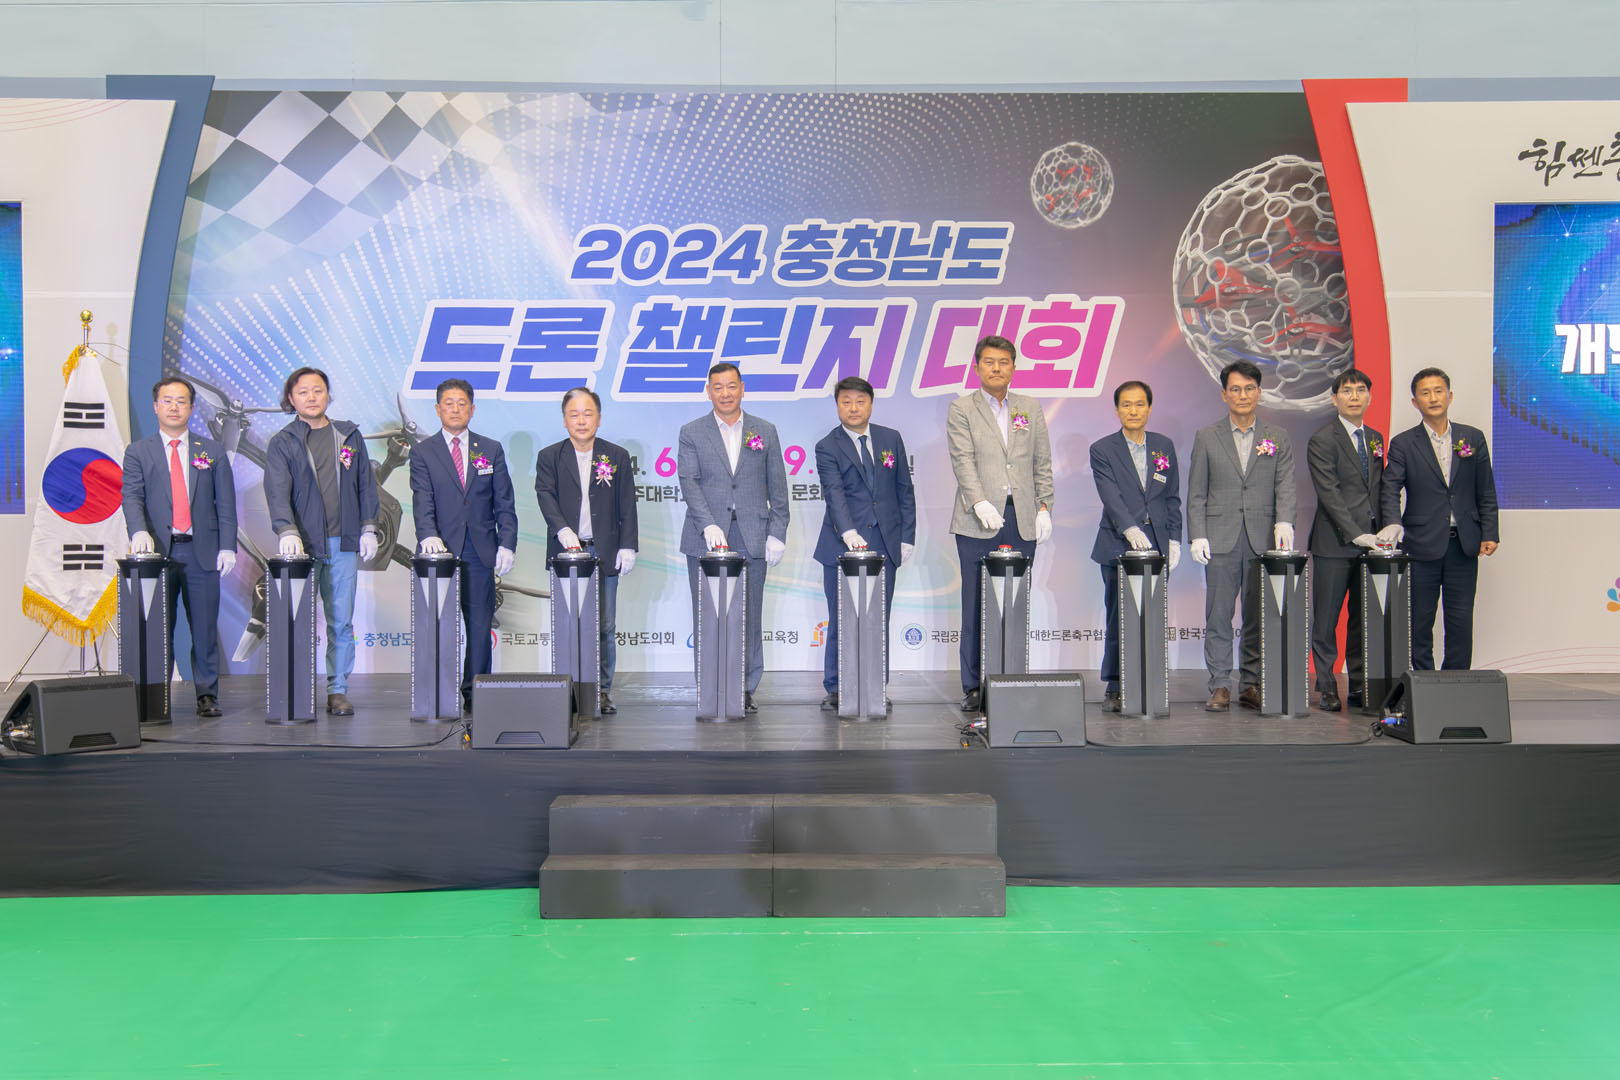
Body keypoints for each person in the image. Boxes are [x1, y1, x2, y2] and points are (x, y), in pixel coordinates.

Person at [263, 367, 380, 716]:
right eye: (303, 392)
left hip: (343, 543)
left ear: (328, 394)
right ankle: (296, 688)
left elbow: (366, 484)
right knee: (297, 621)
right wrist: (286, 530)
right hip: (302, 547)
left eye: (317, 390)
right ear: (291, 398)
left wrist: (369, 527)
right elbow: (276, 491)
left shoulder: (348, 435)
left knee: (341, 621)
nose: (311, 397)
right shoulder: (283, 441)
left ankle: (337, 689)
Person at [947, 335, 1054, 714]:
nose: (996, 368)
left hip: (1021, 518)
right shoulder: (962, 408)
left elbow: (1042, 462)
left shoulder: (1029, 407)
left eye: (1004, 362)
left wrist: (1044, 506)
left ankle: (1013, 678)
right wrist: (979, 502)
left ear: (1013, 367)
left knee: (1015, 604)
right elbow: (963, 460)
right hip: (977, 521)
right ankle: (974, 685)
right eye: (989, 362)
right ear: (977, 367)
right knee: (976, 605)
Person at [120, 376, 238, 718]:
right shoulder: (138, 451)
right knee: (158, 630)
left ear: (191, 407)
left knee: (204, 628)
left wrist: (227, 546)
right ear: (156, 406)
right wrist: (138, 531)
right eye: (167, 401)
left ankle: (207, 695)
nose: (174, 407)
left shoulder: (211, 450)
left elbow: (225, 502)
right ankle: (156, 695)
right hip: (158, 553)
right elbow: (132, 496)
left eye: (181, 401)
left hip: (202, 551)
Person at [676, 362, 789, 713]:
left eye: (731, 386)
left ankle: (745, 688)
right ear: (708, 391)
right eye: (718, 387)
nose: (725, 393)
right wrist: (708, 524)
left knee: (749, 616)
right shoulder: (692, 432)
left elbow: (778, 486)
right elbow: (689, 482)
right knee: (708, 616)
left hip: (753, 534)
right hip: (705, 537)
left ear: (742, 388)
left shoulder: (764, 430)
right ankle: (710, 687)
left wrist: (778, 532)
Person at [1187, 359, 1297, 712]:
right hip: (1220, 538)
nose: (1243, 395)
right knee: (1218, 616)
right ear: (1224, 394)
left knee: (1257, 617)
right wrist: (1197, 534)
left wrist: (1285, 522)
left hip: (1263, 539)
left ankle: (1250, 683)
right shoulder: (1207, 436)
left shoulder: (1277, 436)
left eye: (1249, 388)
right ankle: (1220, 683)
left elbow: (1285, 485)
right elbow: (1196, 493)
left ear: (1259, 392)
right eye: (1235, 389)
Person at [1377, 367, 1499, 670]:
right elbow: (1390, 488)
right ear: (1415, 402)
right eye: (1425, 393)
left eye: (1438, 391)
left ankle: (1456, 682)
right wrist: (1393, 523)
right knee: (1420, 620)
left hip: (1464, 544)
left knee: (1461, 620)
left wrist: (1490, 532)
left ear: (1450, 396)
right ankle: (1424, 683)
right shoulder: (1404, 443)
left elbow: (1485, 489)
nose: (1433, 397)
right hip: (1420, 545)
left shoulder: (1472, 437)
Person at [409, 378, 517, 712]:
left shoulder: (490, 449)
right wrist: (428, 534)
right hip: (439, 551)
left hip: (479, 550)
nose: (455, 409)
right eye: (449, 403)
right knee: (437, 625)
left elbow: (504, 502)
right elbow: (422, 499)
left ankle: (476, 691)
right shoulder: (423, 451)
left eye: (461, 403)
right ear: (437, 408)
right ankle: (438, 691)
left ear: (472, 409)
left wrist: (507, 543)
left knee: (480, 625)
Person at [812, 376, 917, 711]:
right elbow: (834, 495)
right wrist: (848, 533)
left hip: (885, 542)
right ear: (837, 406)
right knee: (841, 618)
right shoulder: (827, 446)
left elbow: (904, 490)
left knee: (877, 620)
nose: (853, 408)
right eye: (846, 402)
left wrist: (907, 537)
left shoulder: (890, 438)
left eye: (860, 401)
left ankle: (875, 685)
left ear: (871, 403)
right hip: (840, 547)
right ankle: (835, 686)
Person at [534, 386, 639, 714]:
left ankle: (602, 691)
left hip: (604, 552)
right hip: (566, 555)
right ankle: (566, 690)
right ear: (564, 420)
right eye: (574, 414)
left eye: (588, 413)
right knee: (569, 625)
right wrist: (562, 529)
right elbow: (545, 495)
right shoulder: (550, 456)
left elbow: (627, 503)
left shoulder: (616, 455)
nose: (581, 421)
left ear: (599, 418)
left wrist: (628, 545)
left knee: (604, 626)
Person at [1088, 380, 1181, 714]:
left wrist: (1174, 538)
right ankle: (1115, 684)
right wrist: (1129, 528)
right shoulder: (1103, 449)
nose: (1133, 410)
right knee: (1119, 617)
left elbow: (1172, 496)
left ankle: (1150, 681)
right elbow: (1110, 496)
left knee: (1152, 618)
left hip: (1156, 545)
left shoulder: (1163, 446)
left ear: (1150, 408)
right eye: (1126, 404)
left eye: (1140, 404)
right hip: (1117, 545)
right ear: (1117, 410)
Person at [1306, 368, 1384, 711]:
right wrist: (1356, 533)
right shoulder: (1323, 439)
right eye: (1347, 391)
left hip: (1372, 545)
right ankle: (1326, 687)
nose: (1354, 396)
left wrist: (1386, 528)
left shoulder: (1375, 438)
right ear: (1334, 398)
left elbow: (1379, 489)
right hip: (1334, 544)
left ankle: (1359, 686)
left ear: (1369, 396)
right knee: (1326, 621)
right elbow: (1330, 494)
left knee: (1361, 620)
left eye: (1361, 390)